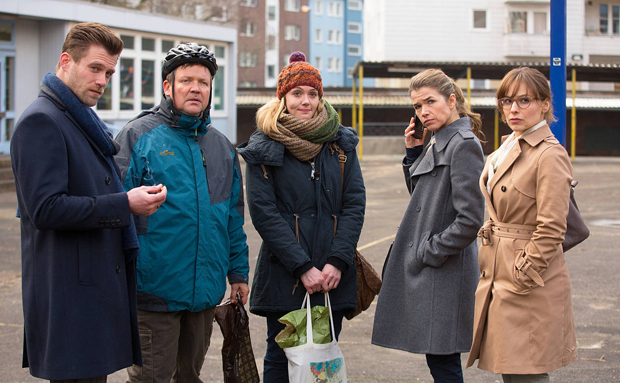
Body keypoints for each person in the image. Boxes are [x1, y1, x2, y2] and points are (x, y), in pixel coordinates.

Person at [10, 22, 167, 382]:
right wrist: (123, 204)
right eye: (95, 68)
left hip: (88, 296)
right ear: (66, 62)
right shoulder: (42, 121)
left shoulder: (79, 120)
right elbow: (45, 209)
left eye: (109, 73)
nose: (103, 80)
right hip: (69, 302)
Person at [114, 42, 250, 383]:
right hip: (153, 292)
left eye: (203, 82)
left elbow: (232, 218)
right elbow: (114, 211)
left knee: (189, 377)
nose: (195, 88)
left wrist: (238, 273)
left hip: (204, 293)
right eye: (186, 80)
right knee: (151, 379)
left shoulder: (222, 147)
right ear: (167, 87)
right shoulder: (137, 136)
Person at [237, 51, 366, 382]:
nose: (305, 100)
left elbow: (354, 204)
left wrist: (337, 261)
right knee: (282, 357)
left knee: (320, 358)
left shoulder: (340, 146)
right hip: (286, 275)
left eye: (312, 93)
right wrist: (303, 267)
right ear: (283, 98)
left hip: (331, 275)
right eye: (297, 93)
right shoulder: (264, 147)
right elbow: (264, 214)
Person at [371, 68, 485, 383]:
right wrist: (413, 153)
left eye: (430, 102)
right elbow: (423, 200)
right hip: (434, 270)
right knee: (438, 359)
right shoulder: (438, 139)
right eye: (417, 106)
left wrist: (430, 250)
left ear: (452, 100)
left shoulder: (463, 144)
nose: (423, 112)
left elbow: (471, 218)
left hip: (444, 270)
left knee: (443, 360)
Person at [466, 67, 577, 383]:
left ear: (544, 104)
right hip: (499, 269)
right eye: (506, 101)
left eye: (524, 100)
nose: (513, 109)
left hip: (526, 275)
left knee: (526, 370)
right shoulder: (507, 145)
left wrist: (524, 271)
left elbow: (553, 227)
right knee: (510, 367)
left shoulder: (549, 154)